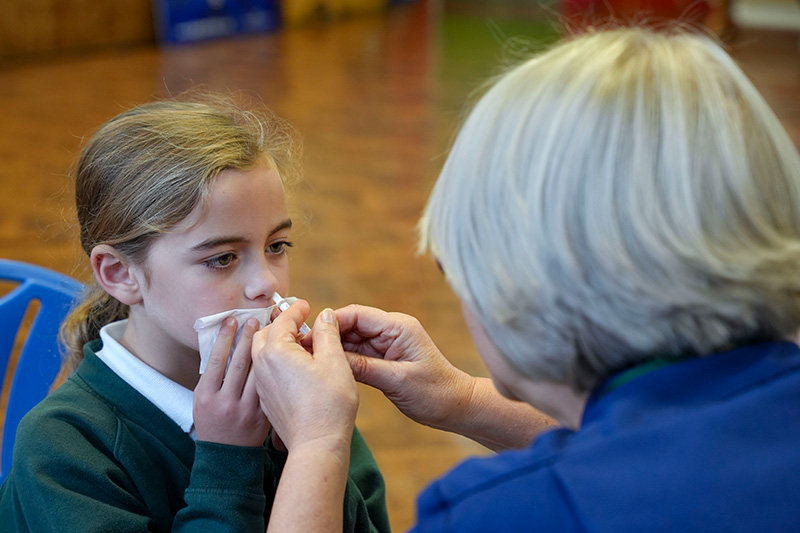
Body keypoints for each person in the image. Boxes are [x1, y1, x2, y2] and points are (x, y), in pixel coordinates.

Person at [251, 26, 800, 532]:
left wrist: (317, 444)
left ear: (517, 287)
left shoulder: (503, 514)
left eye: (457, 268)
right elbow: (676, 452)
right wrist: (463, 399)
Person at [0, 93, 390, 533]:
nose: (267, 284)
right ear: (121, 273)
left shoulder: (298, 394)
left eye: (276, 246)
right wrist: (228, 460)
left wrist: (302, 447)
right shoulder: (63, 449)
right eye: (222, 258)